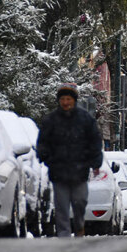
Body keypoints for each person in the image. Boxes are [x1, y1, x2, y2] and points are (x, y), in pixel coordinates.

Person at [36, 83, 103, 238]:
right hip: (58, 171)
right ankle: (64, 235)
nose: (66, 102)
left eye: (68, 99)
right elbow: (43, 142)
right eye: (63, 99)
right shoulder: (51, 120)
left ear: (74, 100)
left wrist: (95, 162)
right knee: (61, 206)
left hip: (80, 171)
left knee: (80, 202)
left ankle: (79, 226)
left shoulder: (85, 119)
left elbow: (95, 142)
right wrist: (45, 157)